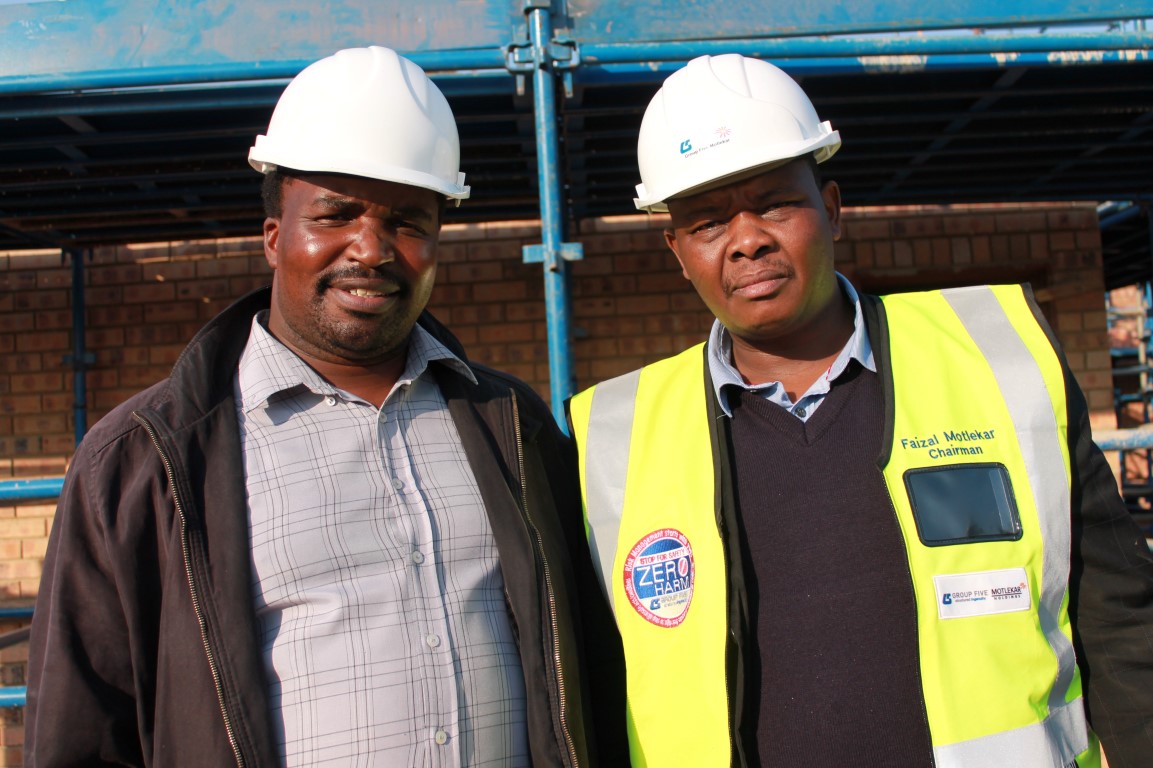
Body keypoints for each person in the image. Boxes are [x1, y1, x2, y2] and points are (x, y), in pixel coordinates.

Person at [26, 46, 619, 767]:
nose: (370, 250)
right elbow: (82, 733)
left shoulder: (510, 425)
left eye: (408, 222)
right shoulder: (142, 459)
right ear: (274, 237)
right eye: (335, 214)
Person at [568, 53, 1153, 768]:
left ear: (833, 208)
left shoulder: (998, 363)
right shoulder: (614, 437)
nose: (747, 240)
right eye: (708, 222)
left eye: (774, 204)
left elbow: (1120, 623)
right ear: (677, 251)